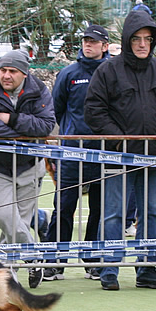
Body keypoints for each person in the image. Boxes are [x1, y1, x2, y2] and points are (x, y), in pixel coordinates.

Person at [84, 10, 156, 291]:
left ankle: (148, 268)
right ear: (127, 40)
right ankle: (109, 270)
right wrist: (118, 140)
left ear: (153, 41)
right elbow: (94, 110)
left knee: (152, 213)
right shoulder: (107, 71)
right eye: (136, 38)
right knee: (113, 213)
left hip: (154, 156)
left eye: (147, 39)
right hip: (117, 155)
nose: (141, 44)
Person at [0, 49, 55, 288]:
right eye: (3, 70)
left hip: (30, 166)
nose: (6, 75)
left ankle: (9, 277)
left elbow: (46, 126)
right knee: (3, 215)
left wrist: (11, 119)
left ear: (24, 73)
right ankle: (33, 256)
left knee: (17, 221)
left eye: (12, 71)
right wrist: (24, 134)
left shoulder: (39, 89)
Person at [43, 24, 110, 281]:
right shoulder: (69, 73)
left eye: (93, 41)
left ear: (105, 45)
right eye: (85, 40)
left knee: (99, 209)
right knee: (64, 207)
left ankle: (92, 260)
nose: (88, 44)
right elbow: (57, 108)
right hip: (72, 154)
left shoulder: (112, 73)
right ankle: (54, 260)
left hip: (105, 153)